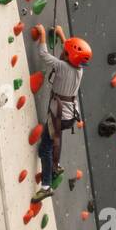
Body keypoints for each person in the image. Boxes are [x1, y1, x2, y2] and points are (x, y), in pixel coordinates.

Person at [30, 22, 91, 202]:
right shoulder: (79, 69)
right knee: (53, 139)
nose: (62, 53)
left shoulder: (62, 67)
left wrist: (42, 34)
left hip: (58, 115)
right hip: (69, 115)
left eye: (65, 52)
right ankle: (55, 166)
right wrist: (62, 35)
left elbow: (43, 54)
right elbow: (72, 55)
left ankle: (46, 186)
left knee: (47, 147)